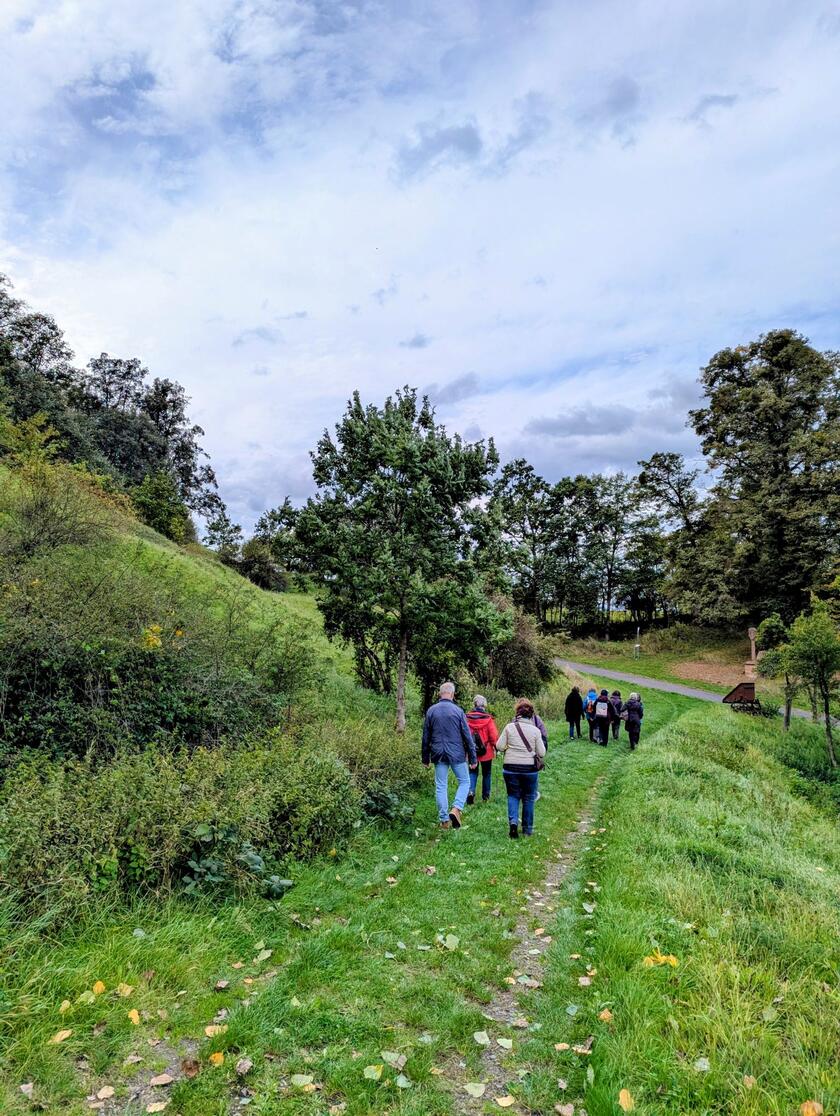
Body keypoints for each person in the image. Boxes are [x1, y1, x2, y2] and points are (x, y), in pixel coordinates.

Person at [422, 681, 477, 829]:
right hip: (457, 754)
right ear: (452, 694)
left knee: (441, 786)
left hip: (438, 754)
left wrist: (425, 757)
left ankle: (444, 820)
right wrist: (473, 758)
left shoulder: (431, 711)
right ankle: (456, 808)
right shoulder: (458, 711)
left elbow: (426, 737)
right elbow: (467, 736)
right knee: (465, 781)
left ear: (440, 694)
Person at [496, 699, 546, 839]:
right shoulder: (536, 731)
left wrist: (509, 748)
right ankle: (527, 829)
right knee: (529, 798)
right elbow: (542, 753)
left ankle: (513, 823)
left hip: (510, 767)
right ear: (531, 715)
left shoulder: (509, 727)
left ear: (517, 714)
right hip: (529, 770)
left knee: (513, 795)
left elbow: (499, 746)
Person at [465, 695, 499, 804]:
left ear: (474, 704)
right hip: (486, 751)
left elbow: (464, 734)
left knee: (472, 772)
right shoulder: (488, 719)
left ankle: (471, 791)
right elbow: (493, 736)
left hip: (471, 751)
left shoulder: (467, 718)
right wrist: (496, 747)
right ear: (484, 705)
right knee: (487, 773)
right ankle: (486, 797)